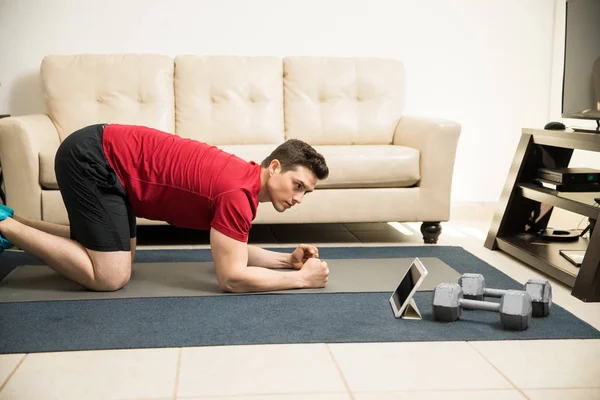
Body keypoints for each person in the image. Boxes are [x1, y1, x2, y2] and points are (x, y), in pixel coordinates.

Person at [0, 123, 330, 293]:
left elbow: (235, 251)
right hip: (94, 157)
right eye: (298, 185)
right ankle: (3, 225)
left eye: (307, 193)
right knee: (111, 275)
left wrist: (287, 261)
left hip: (106, 158)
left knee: (121, 254)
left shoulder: (243, 181)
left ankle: (13, 219)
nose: (298, 198)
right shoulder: (237, 193)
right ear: (274, 168)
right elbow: (231, 277)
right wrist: (302, 281)